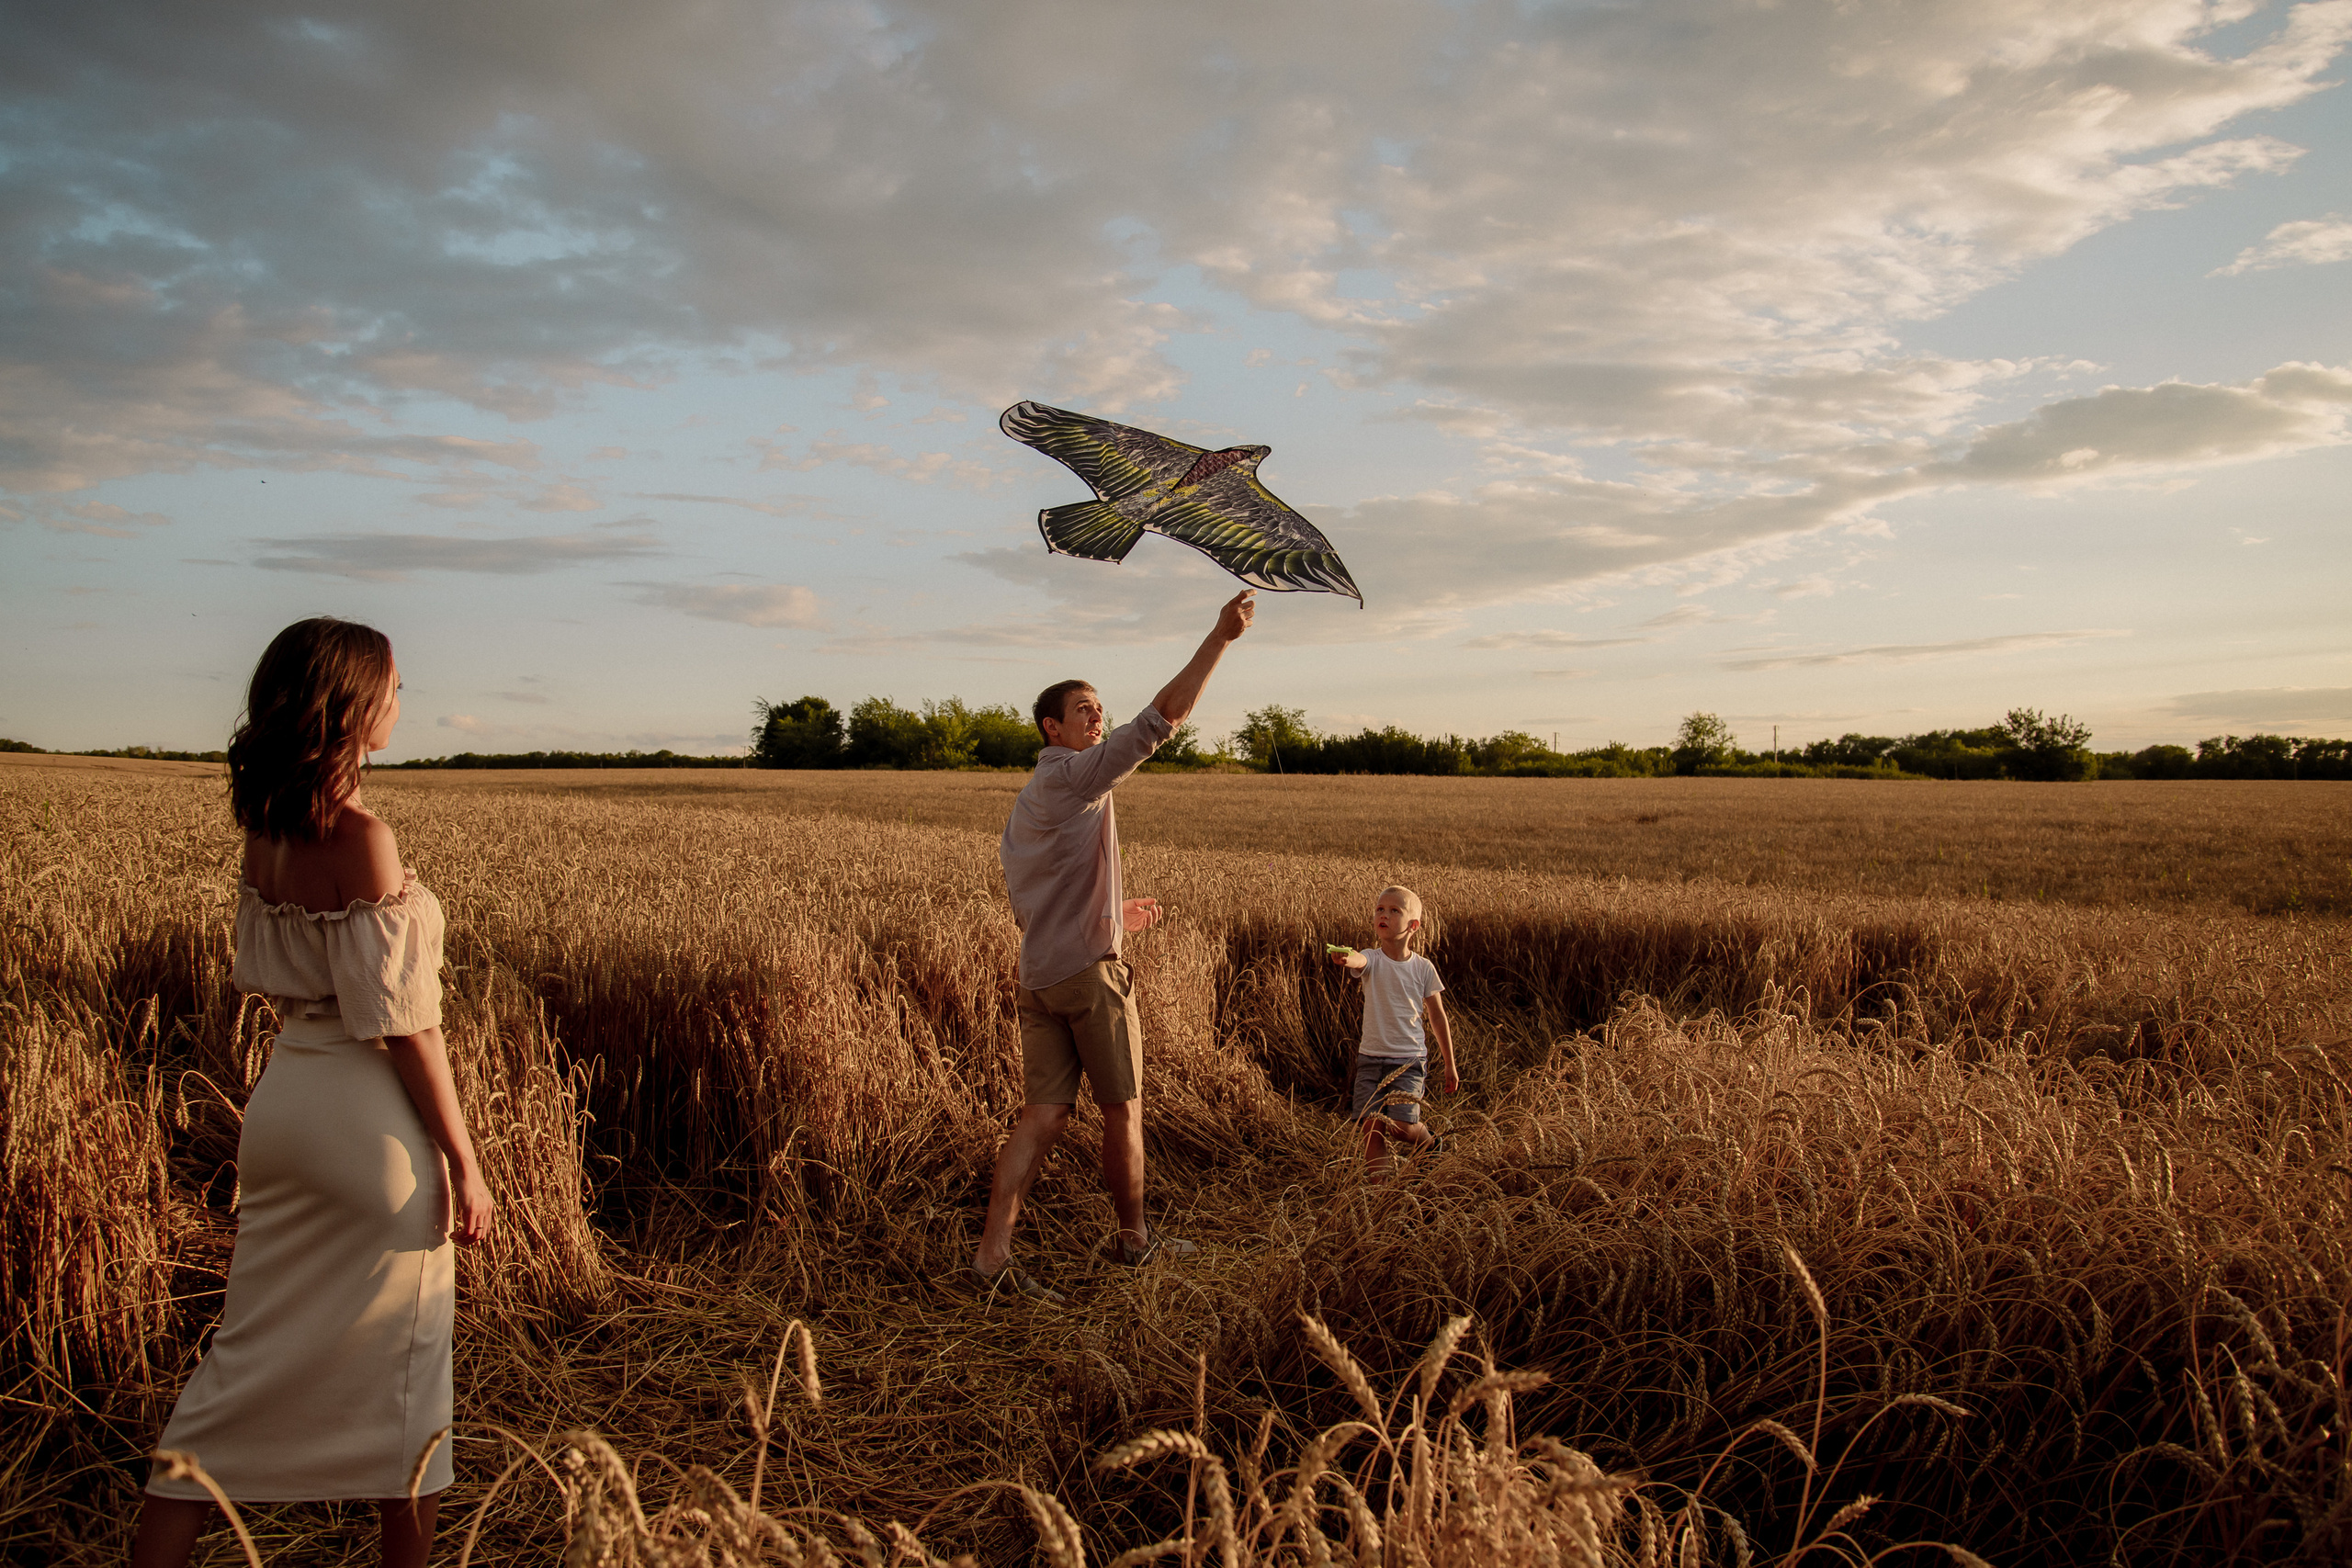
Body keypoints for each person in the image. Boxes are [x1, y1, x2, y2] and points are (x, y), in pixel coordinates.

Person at [131, 618, 495, 1568]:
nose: (402, 702)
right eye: (395, 687)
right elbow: (405, 1024)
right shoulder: (364, 839)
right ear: (351, 704)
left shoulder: (268, 833)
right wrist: (464, 1159)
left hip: (286, 1107)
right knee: (406, 1386)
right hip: (368, 1126)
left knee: (240, 1368)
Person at [972, 588, 1257, 1302]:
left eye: (1099, 705)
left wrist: (1110, 911)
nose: (1097, 716)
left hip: (1039, 977)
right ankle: (1135, 1240)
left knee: (1041, 1115)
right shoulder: (1077, 773)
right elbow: (1163, 719)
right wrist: (1220, 637)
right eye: (1083, 710)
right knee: (1123, 1108)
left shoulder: (1030, 799)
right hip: (1089, 980)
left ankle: (991, 1256)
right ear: (1053, 728)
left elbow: (1031, 897)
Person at [1329, 885, 1455, 1179]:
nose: (1383, 914)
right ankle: (1379, 1192)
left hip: (1408, 1060)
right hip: (1370, 1058)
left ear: (1413, 925)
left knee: (1402, 1126)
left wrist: (1449, 1063)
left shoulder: (1423, 969)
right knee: (1371, 1125)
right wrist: (1347, 957)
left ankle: (1429, 1143)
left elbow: (1437, 1016)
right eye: (1379, 909)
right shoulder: (1372, 959)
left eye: (1394, 910)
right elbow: (1359, 960)